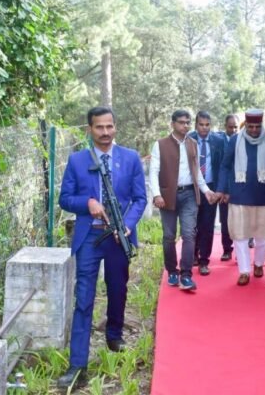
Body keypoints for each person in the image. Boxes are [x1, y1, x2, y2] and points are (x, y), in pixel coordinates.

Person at [57, 106, 147, 388]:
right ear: (90, 129)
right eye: (99, 127)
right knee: (83, 299)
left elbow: (140, 199)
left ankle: (114, 335)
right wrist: (87, 203)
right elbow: (64, 198)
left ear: (115, 127)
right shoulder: (77, 160)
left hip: (119, 238)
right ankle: (77, 365)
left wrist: (127, 225)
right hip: (89, 238)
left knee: (118, 289)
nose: (105, 132)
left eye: (109, 126)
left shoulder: (130, 158)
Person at [149, 110, 216, 291]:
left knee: (189, 234)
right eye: (181, 122)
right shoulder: (160, 144)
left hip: (189, 195)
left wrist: (206, 191)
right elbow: (154, 171)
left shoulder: (193, 144)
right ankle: (172, 271)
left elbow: (197, 172)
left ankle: (186, 275)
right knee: (169, 235)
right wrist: (156, 194)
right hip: (167, 196)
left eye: (187, 122)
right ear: (172, 124)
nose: (185, 125)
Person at [216, 109, 265, 286]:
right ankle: (244, 271)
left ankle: (259, 263)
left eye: (257, 126)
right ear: (245, 125)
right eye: (250, 126)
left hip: (263, 196)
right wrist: (221, 189)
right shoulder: (235, 141)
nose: (254, 130)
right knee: (240, 236)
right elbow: (225, 166)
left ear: (261, 125)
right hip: (239, 195)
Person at [188, 111, 225, 275]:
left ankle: (204, 260)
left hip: (211, 188)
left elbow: (224, 166)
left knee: (207, 225)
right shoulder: (188, 139)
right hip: (192, 188)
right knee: (192, 224)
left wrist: (221, 189)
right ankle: (193, 254)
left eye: (207, 125)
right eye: (201, 124)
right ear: (196, 125)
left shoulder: (219, 141)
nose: (204, 128)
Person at [216, 114, 240, 261]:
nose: (233, 130)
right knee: (225, 221)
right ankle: (227, 249)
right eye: (230, 127)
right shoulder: (219, 142)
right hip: (224, 189)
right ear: (225, 126)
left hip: (240, 189)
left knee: (241, 221)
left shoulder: (243, 140)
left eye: (236, 127)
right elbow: (222, 168)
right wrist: (223, 190)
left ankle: (240, 251)